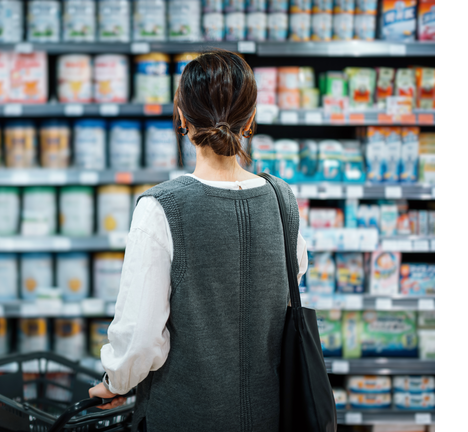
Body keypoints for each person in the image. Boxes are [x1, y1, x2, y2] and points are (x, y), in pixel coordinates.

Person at [88, 49, 308, 431]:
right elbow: (286, 293)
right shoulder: (282, 199)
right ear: (250, 120)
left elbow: (139, 338)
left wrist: (115, 382)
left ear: (181, 118)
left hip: (183, 417)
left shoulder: (161, 208)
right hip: (269, 416)